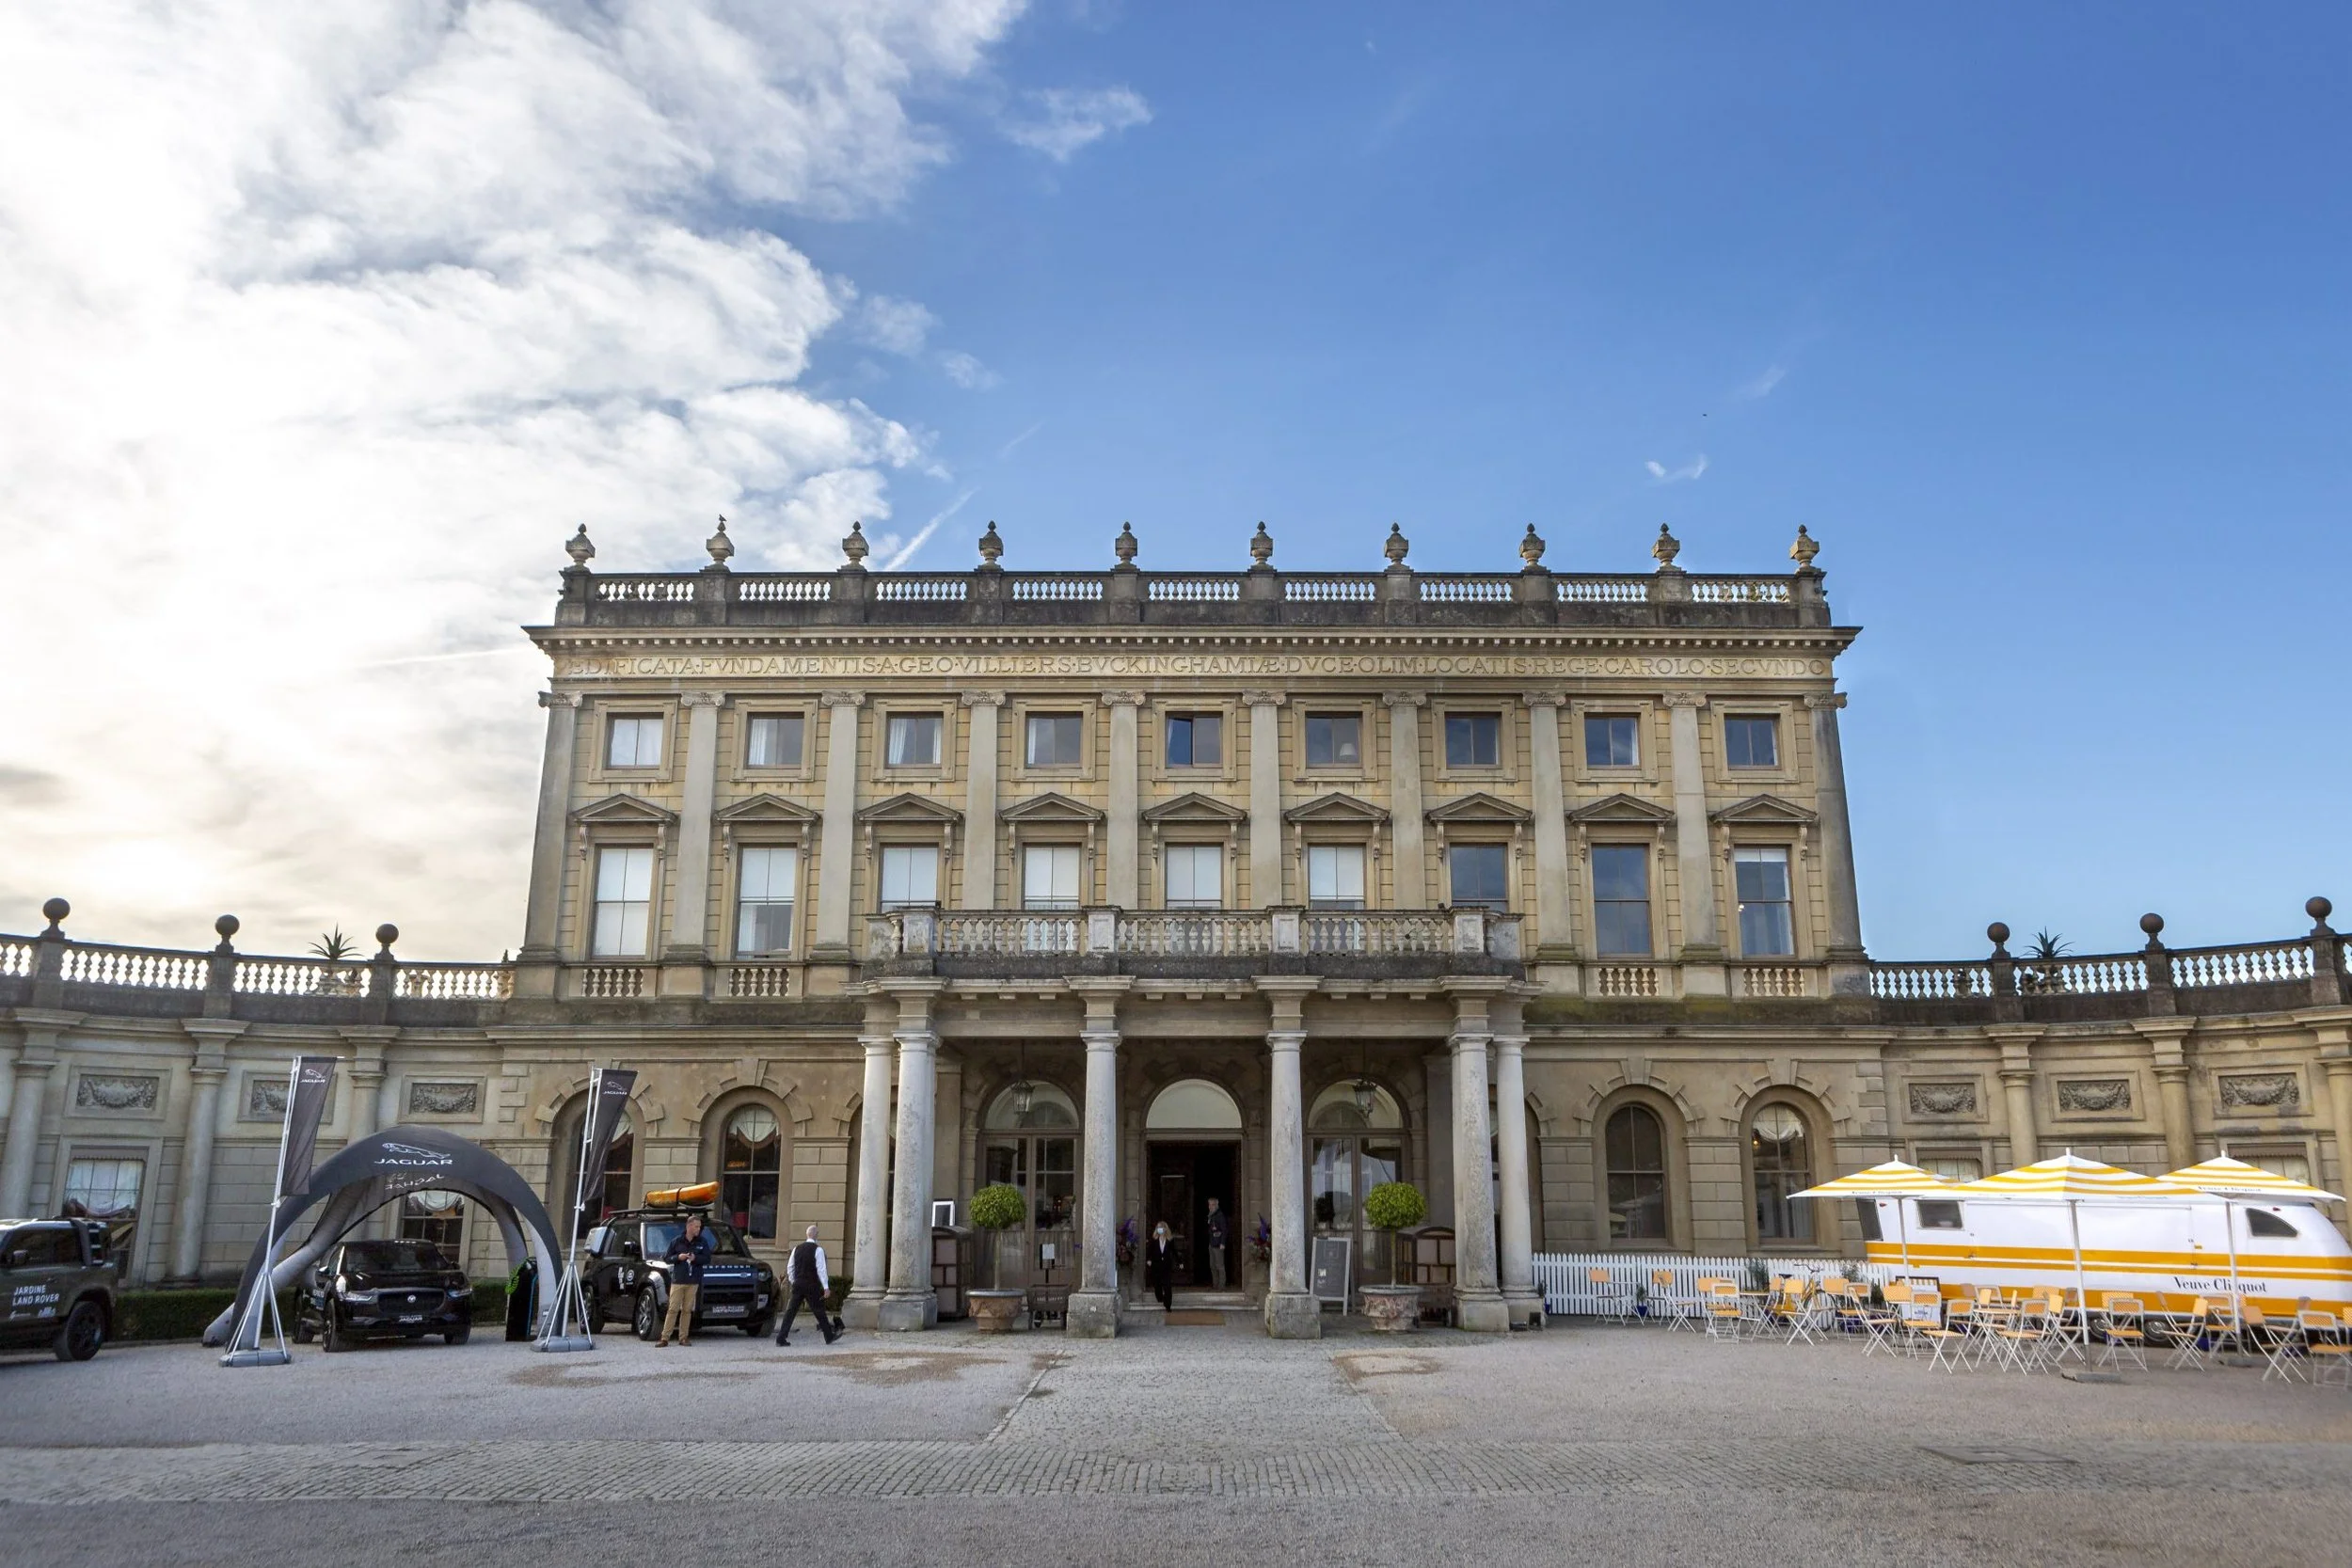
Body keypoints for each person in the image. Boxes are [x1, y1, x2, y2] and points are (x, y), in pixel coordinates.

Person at [775, 1224, 839, 1346]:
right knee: (819, 1311)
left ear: (807, 1235)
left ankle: (781, 1338)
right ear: (816, 1235)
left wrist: (794, 1281)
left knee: (790, 1312)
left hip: (798, 1284)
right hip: (811, 1284)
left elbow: (790, 1268)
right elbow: (821, 1270)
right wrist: (826, 1287)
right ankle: (828, 1336)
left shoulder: (796, 1249)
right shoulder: (818, 1250)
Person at [655, 1212, 712, 1348]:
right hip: (679, 1280)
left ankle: (683, 1337)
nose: (698, 1229)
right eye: (696, 1226)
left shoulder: (702, 1242)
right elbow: (667, 1258)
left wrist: (695, 1258)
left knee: (687, 1310)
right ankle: (665, 1338)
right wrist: (678, 1257)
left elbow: (707, 1258)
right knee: (673, 1309)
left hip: (693, 1280)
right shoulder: (677, 1241)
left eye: (699, 1227)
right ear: (689, 1226)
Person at [1144, 1220, 1176, 1311]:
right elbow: (1149, 1251)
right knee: (1157, 1284)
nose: (1160, 1229)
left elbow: (1174, 1251)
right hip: (1156, 1265)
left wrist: (1180, 1262)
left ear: (1165, 1229)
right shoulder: (1154, 1240)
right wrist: (1148, 1259)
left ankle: (1168, 1305)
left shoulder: (1170, 1240)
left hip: (1166, 1266)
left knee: (1167, 1286)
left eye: (1161, 1228)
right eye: (1158, 1228)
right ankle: (1160, 1297)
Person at [1204, 1197, 1230, 1291]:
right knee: (1212, 1265)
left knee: (1220, 1265)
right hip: (1212, 1243)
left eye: (1212, 1205)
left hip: (1218, 1244)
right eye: (1209, 1205)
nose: (1210, 1207)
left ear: (1216, 1205)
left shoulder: (1220, 1216)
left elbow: (1224, 1230)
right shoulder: (1211, 1216)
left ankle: (1221, 1285)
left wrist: (1222, 1243)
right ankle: (1215, 1285)